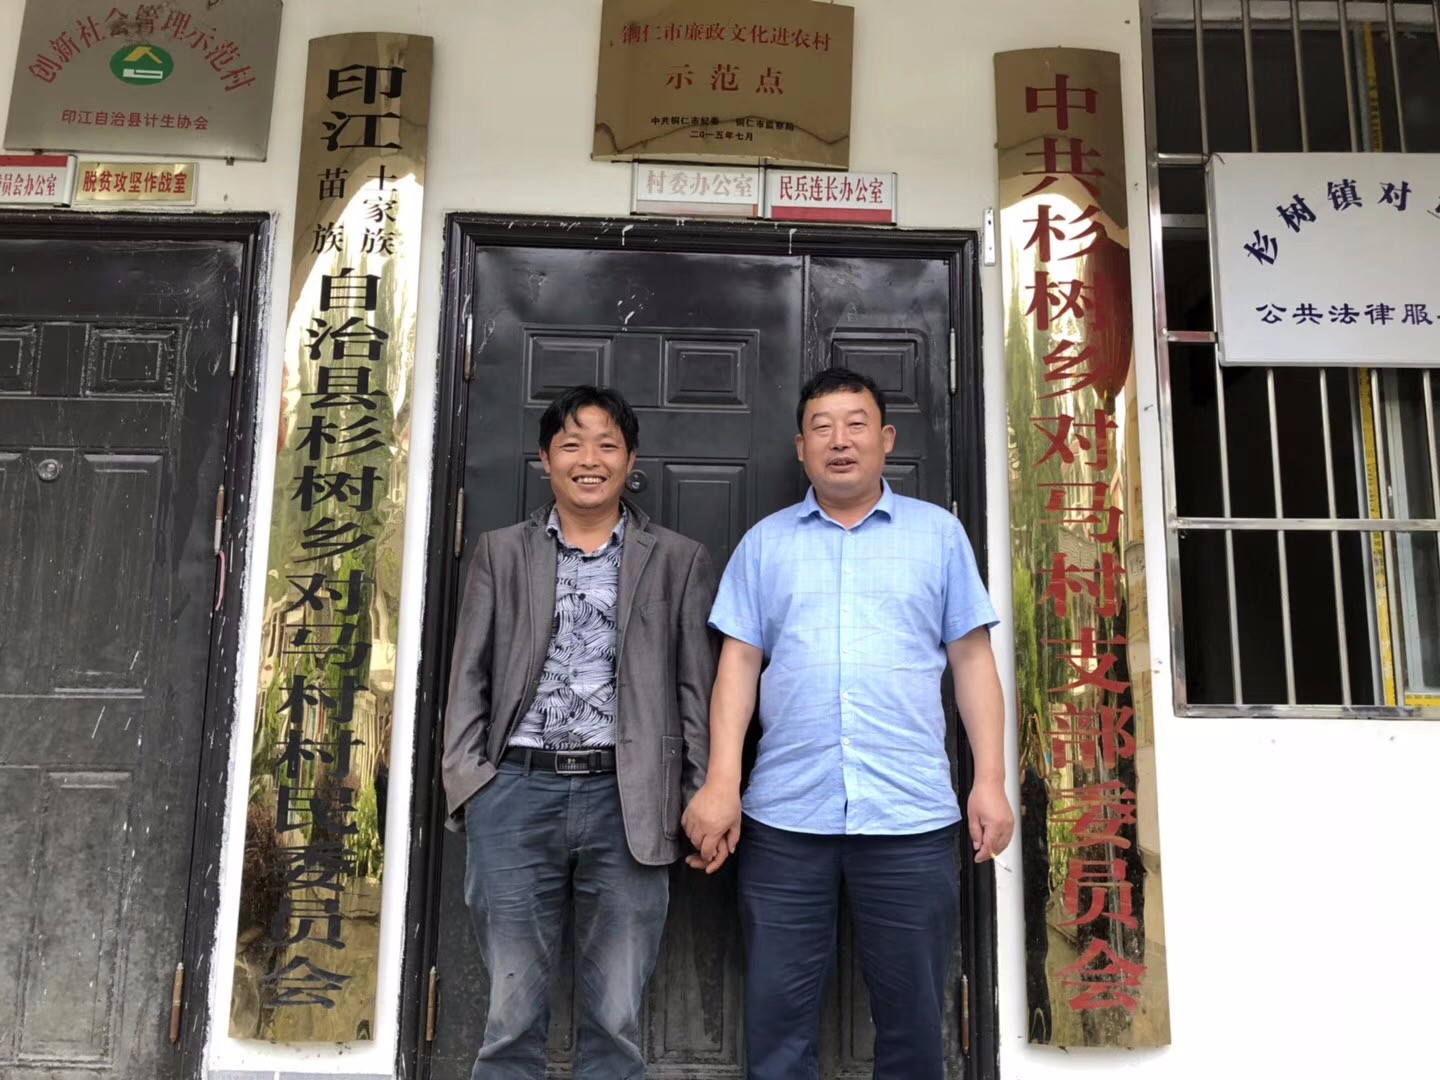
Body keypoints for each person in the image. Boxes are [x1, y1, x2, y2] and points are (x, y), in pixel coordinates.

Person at [682, 367, 1014, 1080]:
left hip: (909, 818)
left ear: (885, 439)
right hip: (786, 819)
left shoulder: (938, 536)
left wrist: (989, 780)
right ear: (800, 447)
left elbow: (972, 662)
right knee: (777, 1021)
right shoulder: (765, 544)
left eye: (856, 424)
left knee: (913, 1021)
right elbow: (738, 667)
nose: (840, 441)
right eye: (823, 428)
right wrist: (721, 783)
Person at [443, 385, 717, 1080]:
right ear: (546, 460)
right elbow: (468, 675)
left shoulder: (677, 559)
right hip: (515, 792)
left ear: (631, 460)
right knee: (509, 1018)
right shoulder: (501, 553)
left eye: (606, 445)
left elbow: (695, 689)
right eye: (571, 444)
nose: (588, 460)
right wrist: (471, 783)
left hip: (629, 800)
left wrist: (697, 793)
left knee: (615, 1020)